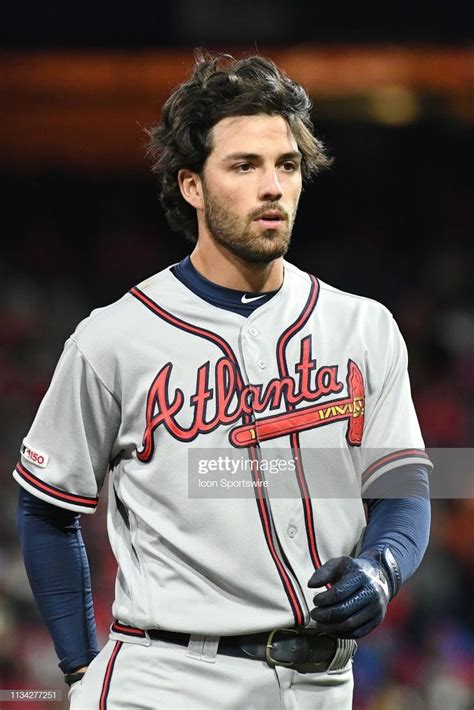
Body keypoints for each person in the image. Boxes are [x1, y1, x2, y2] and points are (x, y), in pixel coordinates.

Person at [15, 51, 431, 709]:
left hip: (323, 685)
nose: (273, 185)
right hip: (170, 680)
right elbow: (46, 508)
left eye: (286, 165)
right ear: (192, 186)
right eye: (245, 165)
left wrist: (383, 568)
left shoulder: (364, 327)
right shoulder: (114, 338)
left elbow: (404, 489)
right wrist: (78, 668)